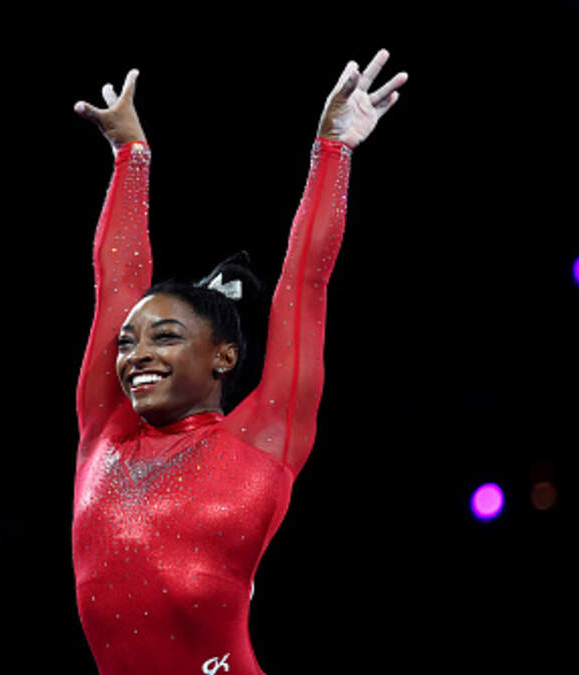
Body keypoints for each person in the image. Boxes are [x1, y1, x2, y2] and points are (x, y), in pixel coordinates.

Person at [71, 51, 408, 674]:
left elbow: (306, 282)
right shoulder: (104, 430)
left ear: (223, 356)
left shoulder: (264, 440)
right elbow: (115, 281)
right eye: (128, 342)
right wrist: (130, 154)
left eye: (165, 337)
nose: (137, 354)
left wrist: (334, 150)